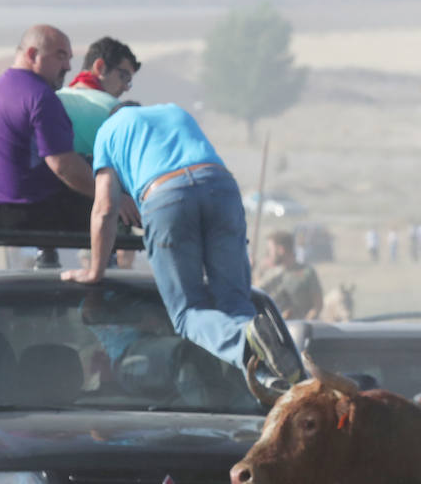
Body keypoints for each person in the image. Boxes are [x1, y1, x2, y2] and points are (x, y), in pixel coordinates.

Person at [60, 102, 302, 387]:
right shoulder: (174, 111)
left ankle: (246, 341)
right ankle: (271, 379)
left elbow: (104, 208)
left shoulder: (108, 130)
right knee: (236, 304)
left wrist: (95, 271)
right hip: (221, 187)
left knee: (189, 313)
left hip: (165, 195)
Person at [0, 25, 108, 235]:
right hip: (26, 213)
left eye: (69, 58)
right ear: (32, 54)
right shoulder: (40, 96)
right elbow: (63, 165)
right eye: (61, 56)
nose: (67, 66)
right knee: (112, 202)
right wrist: (110, 198)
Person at [58, 36, 140, 158]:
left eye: (128, 81)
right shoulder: (115, 111)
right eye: (124, 76)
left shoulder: (54, 98)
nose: (126, 87)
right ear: (100, 67)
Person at [258, 230, 324, 320]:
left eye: (270, 250)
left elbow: (318, 306)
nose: (268, 254)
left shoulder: (307, 273)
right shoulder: (270, 274)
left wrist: (304, 322)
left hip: (300, 326)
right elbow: (257, 294)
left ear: (281, 250)